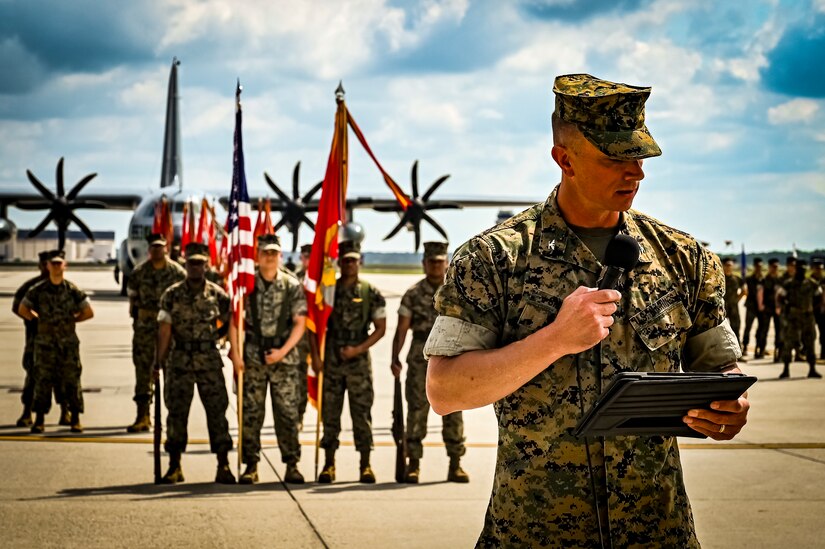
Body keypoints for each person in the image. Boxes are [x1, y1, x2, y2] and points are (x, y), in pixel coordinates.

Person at [424, 74, 750, 547]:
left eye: (639, 156)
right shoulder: (494, 259)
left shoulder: (683, 258)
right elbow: (445, 389)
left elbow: (721, 369)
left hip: (657, 533)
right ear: (564, 159)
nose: (635, 172)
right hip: (534, 534)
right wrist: (554, 340)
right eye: (615, 158)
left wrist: (730, 408)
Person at [229, 234, 307, 484]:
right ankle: (250, 465)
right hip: (253, 358)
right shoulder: (246, 284)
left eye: (274, 252)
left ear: (280, 255)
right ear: (257, 255)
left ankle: (292, 464)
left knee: (287, 414)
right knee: (251, 414)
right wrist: (237, 355)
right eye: (265, 252)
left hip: (284, 360)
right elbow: (235, 320)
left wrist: (282, 352)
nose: (270, 257)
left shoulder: (291, 285)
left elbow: (300, 323)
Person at [155, 242, 235, 484]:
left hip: (209, 361)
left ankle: (223, 465)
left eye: (200, 263)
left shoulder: (217, 294)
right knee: (177, 414)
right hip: (179, 361)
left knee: (217, 413)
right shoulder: (172, 294)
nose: (196, 268)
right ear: (185, 265)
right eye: (191, 263)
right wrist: (158, 362)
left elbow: (230, 321)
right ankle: (174, 465)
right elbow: (165, 330)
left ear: (206, 265)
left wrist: (217, 339)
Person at [391, 241, 468, 483]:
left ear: (446, 263)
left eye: (439, 261)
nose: (436, 265)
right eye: (431, 261)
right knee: (416, 411)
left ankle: (455, 464)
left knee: (454, 410)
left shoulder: (457, 291)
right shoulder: (413, 294)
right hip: (419, 356)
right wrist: (395, 356)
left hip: (452, 354)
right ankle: (413, 464)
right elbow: (402, 328)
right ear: (424, 264)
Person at [313, 240, 386, 484]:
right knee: (330, 415)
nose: (350, 264)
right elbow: (315, 325)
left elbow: (380, 328)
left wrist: (358, 349)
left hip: (358, 363)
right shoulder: (328, 291)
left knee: (361, 415)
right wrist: (316, 356)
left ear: (360, 261)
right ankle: (328, 464)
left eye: (354, 260)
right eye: (345, 260)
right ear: (339, 262)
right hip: (332, 361)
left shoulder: (370, 292)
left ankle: (365, 465)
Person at [19, 250, 94, 433]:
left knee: (72, 380)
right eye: (53, 264)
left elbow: (88, 312)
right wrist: (37, 319)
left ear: (64, 266)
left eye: (59, 263)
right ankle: (39, 419)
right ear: (47, 266)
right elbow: (22, 308)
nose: (56, 266)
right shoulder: (38, 290)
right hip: (44, 343)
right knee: (42, 380)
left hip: (67, 343)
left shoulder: (72, 290)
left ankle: (74, 417)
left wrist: (71, 321)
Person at [125, 233, 185, 432]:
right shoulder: (139, 272)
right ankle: (142, 415)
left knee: (171, 374)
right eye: (154, 247)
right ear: (149, 249)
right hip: (144, 329)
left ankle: (172, 418)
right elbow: (132, 300)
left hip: (169, 330)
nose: (157, 250)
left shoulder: (177, 272)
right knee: (143, 371)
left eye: (160, 247)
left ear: (166, 248)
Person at [12, 251, 67, 427]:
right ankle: (27, 412)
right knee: (33, 376)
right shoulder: (31, 287)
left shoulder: (67, 287)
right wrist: (36, 319)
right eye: (45, 264)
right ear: (41, 265)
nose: (47, 267)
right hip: (36, 338)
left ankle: (65, 412)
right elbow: (17, 307)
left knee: (63, 376)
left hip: (61, 339)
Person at [777, 259, 822, 379]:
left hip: (808, 317)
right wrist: (787, 308)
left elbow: (819, 298)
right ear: (796, 269)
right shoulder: (789, 283)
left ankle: (812, 369)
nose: (802, 271)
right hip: (793, 318)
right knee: (789, 343)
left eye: (804, 269)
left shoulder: (812, 283)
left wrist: (812, 309)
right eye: (800, 269)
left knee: (810, 343)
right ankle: (786, 369)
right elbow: (780, 297)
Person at [294, 243, 313, 430]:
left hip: (319, 342)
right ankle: (299, 415)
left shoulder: (324, 281)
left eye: (311, 256)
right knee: (299, 382)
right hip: (298, 342)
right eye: (305, 256)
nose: (307, 259)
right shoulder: (293, 281)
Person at [758, 258, 782, 362]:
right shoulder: (764, 279)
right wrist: (761, 305)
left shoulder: (780, 280)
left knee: (779, 331)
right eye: (773, 267)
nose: (774, 269)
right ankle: (761, 350)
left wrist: (779, 307)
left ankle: (778, 352)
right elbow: (760, 292)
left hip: (777, 309)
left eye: (776, 267)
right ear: (769, 267)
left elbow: (781, 294)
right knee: (764, 330)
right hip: (767, 308)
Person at [742, 257, 765, 358]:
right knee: (748, 327)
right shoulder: (749, 279)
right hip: (751, 307)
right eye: (757, 267)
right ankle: (745, 347)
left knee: (761, 329)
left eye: (760, 267)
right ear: (755, 267)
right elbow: (746, 290)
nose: (759, 269)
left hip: (761, 308)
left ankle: (758, 348)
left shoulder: (764, 280)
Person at [723, 257, 746, 355]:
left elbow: (744, 291)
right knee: (720, 329)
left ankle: (738, 351)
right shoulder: (720, 278)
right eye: (727, 265)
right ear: (723, 266)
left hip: (733, 307)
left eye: (730, 266)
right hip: (722, 308)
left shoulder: (737, 279)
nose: (729, 267)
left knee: (736, 328)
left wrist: (736, 300)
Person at [810, 258, 825, 360]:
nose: (818, 270)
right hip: (811, 310)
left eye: (820, 268)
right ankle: (808, 353)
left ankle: (823, 353)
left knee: (823, 333)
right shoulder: (809, 281)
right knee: (810, 334)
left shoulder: (824, 280)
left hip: (822, 311)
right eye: (816, 268)